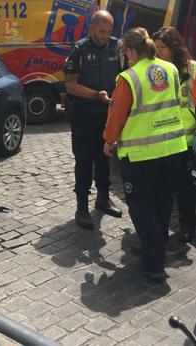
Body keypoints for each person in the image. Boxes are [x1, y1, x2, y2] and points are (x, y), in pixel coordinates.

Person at [103, 27, 187, 282]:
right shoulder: (170, 69)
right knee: (162, 203)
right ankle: (156, 248)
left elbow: (116, 115)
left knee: (141, 207)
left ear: (129, 50)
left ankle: (153, 262)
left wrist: (108, 141)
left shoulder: (129, 78)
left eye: (125, 52)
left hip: (141, 154)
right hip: (172, 148)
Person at [63, 10, 124, 230]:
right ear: (91, 29)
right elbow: (70, 85)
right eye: (101, 32)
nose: (105, 35)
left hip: (107, 115)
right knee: (84, 161)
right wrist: (95, 95)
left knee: (104, 158)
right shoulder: (80, 50)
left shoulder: (117, 47)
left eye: (109, 31)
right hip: (84, 114)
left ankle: (103, 199)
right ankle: (82, 207)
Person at [153, 27, 196, 242]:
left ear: (174, 47)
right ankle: (161, 226)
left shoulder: (193, 69)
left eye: (163, 47)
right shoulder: (156, 69)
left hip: (185, 139)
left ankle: (188, 224)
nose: (159, 52)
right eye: (156, 47)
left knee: (183, 186)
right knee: (163, 185)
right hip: (161, 135)